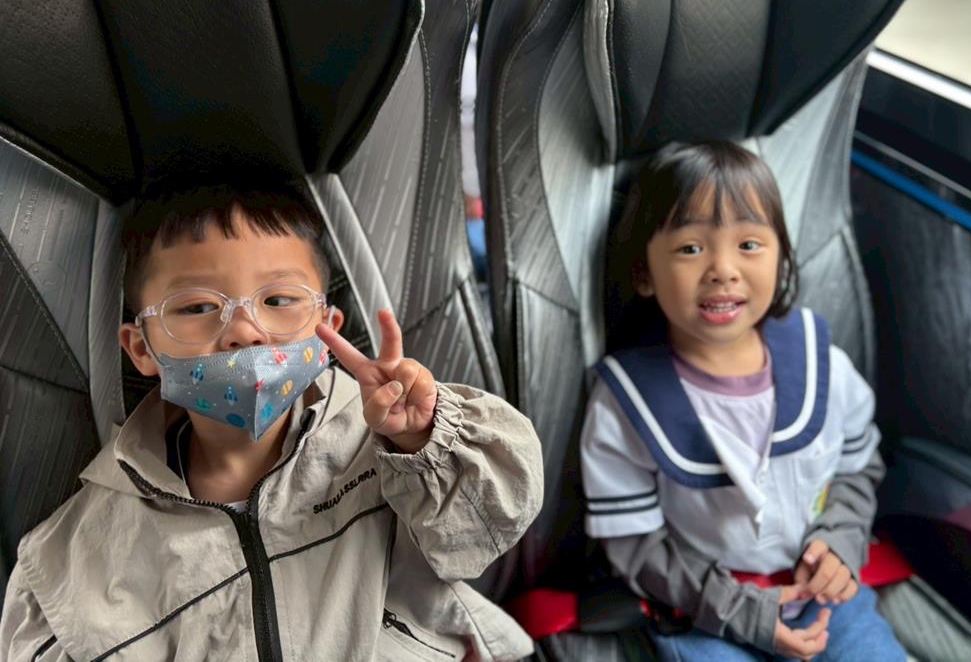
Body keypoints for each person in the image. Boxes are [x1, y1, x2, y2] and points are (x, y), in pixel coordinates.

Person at [0, 179, 543, 662]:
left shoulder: (390, 453)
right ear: (141, 348)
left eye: (279, 299)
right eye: (196, 308)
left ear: (328, 329)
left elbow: (493, 524)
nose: (245, 331)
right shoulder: (73, 557)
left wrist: (423, 437)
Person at [581, 142, 905, 662]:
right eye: (691, 248)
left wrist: (841, 541)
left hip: (823, 597)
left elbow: (856, 469)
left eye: (749, 244)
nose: (723, 269)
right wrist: (738, 610)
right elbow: (636, 545)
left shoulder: (824, 366)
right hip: (706, 612)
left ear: (781, 257)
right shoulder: (627, 404)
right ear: (643, 273)